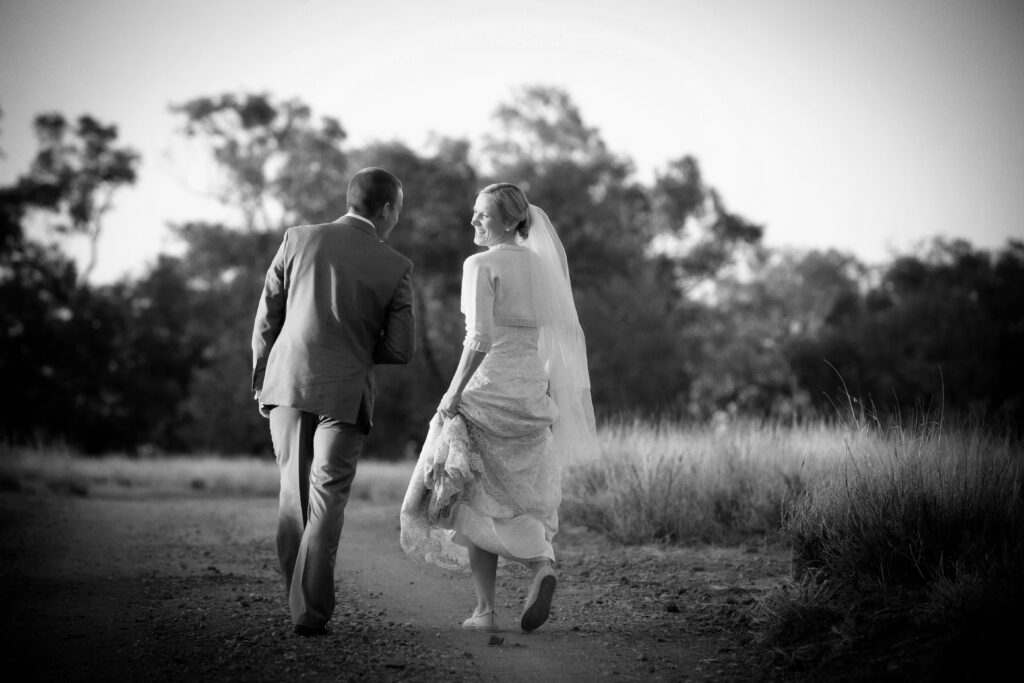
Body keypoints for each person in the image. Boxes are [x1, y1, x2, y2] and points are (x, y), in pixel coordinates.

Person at [400, 183, 596, 633]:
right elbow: (554, 337)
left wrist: (453, 393)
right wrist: (538, 384)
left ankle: (486, 611)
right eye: (473, 213)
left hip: (487, 391)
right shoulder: (544, 268)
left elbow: (479, 340)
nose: (473, 222)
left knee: (474, 496)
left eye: (482, 215)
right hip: (529, 390)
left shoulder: (480, 265)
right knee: (520, 491)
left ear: (510, 221)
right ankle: (541, 564)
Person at [252, 167, 415, 636]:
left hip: (286, 384)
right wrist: (361, 347)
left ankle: (300, 604)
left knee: (292, 496)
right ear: (384, 210)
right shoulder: (395, 266)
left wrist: (262, 380)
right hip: (345, 392)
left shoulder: (297, 238)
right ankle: (310, 612)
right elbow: (401, 349)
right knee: (326, 499)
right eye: (398, 212)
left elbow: (268, 315)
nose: (396, 221)